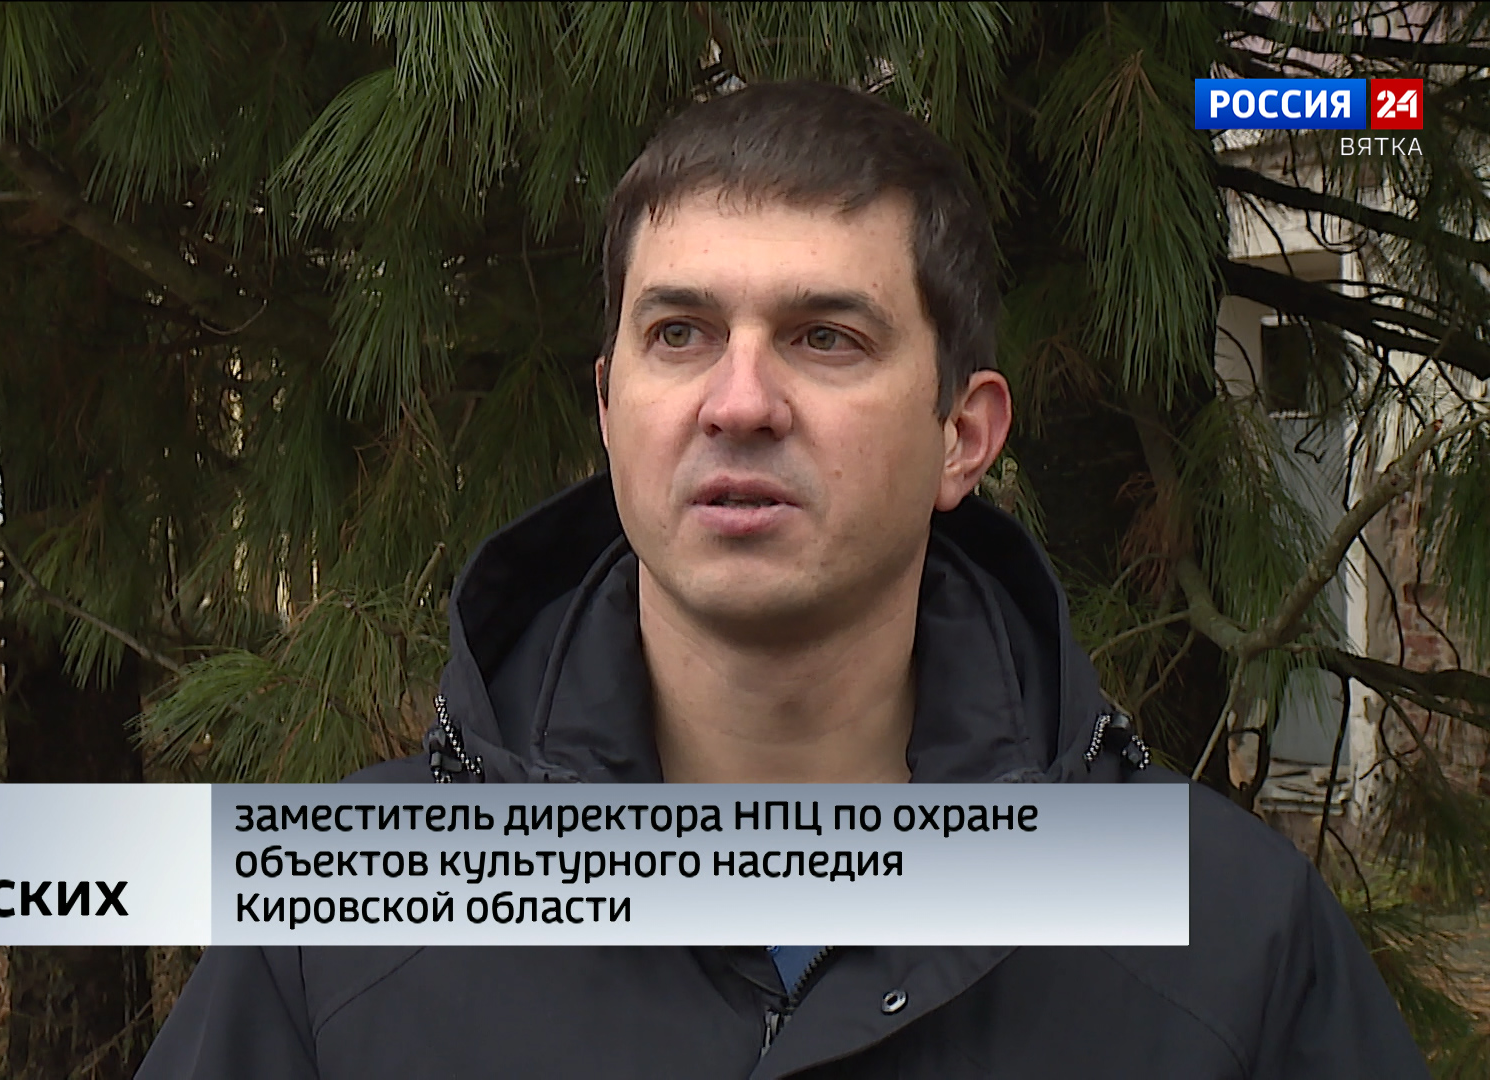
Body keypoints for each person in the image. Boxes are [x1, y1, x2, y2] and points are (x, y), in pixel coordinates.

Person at [141, 81, 1425, 1079]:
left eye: (824, 337)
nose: (740, 401)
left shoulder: (1227, 940)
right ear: (611, 409)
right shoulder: (340, 941)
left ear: (962, 434)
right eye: (680, 333)